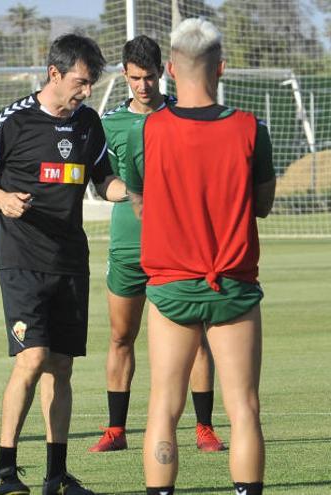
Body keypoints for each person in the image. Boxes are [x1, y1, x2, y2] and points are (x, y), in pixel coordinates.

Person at [125, 18, 275, 495]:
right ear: (222, 68)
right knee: (243, 408)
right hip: (232, 284)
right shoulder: (251, 129)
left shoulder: (147, 131)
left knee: (163, 407)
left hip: (170, 286)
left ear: (168, 69)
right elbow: (264, 205)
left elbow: (140, 201)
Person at [0, 34, 126, 495]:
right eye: (80, 83)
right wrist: (0, 197)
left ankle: (56, 475)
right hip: (22, 259)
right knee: (33, 357)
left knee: (61, 367)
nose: (86, 92)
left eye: (91, 84)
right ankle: (4, 469)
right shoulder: (14, 120)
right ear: (54, 74)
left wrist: (135, 194)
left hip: (70, 260)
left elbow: (103, 181)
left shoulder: (88, 124)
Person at [89, 34, 225, 454]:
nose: (143, 86)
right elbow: (101, 182)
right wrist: (129, 192)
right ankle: (115, 430)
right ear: (124, 74)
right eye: (134, 78)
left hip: (178, 250)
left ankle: (204, 427)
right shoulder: (107, 123)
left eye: (148, 77)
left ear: (162, 71)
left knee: (196, 335)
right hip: (128, 250)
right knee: (120, 337)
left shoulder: (183, 115)